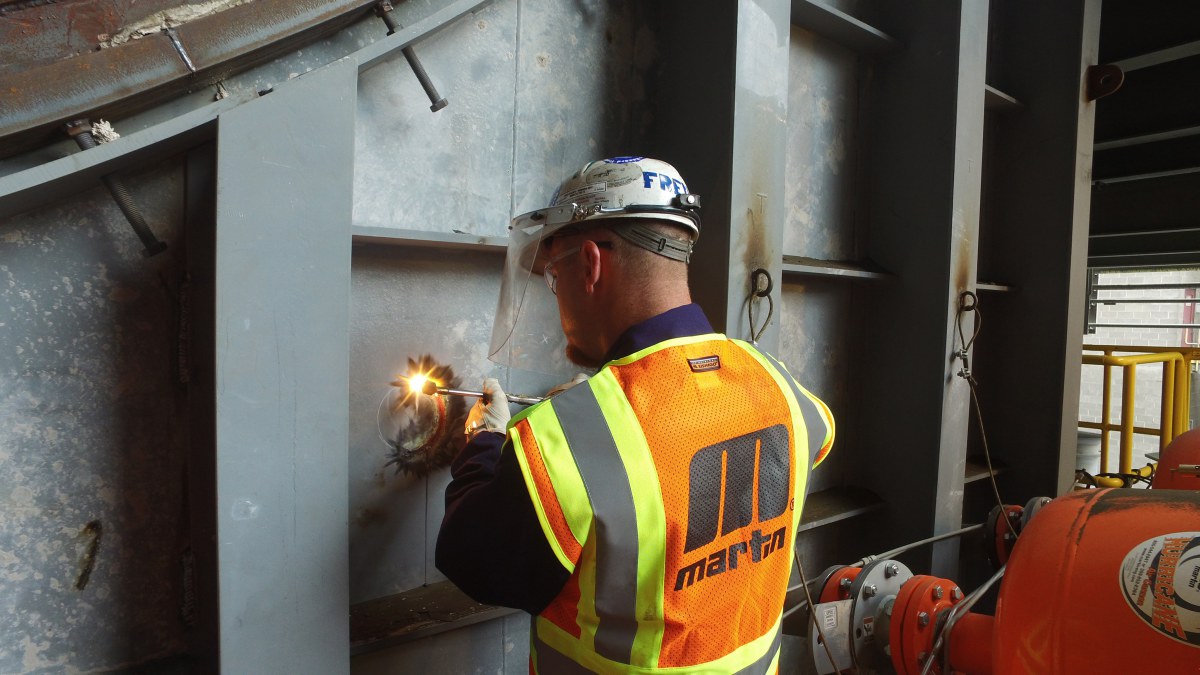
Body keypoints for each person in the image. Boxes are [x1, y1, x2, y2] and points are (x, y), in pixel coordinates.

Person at [436, 157, 834, 673]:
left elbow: (475, 557)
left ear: (591, 265)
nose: (558, 299)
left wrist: (486, 445)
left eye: (555, 276)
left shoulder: (569, 440)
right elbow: (817, 436)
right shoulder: (780, 387)